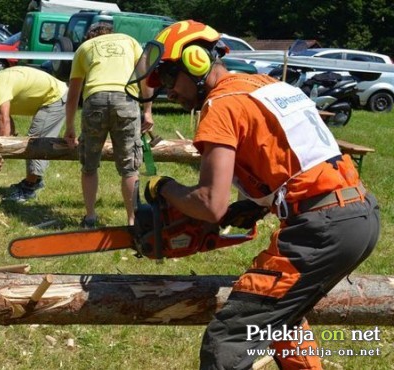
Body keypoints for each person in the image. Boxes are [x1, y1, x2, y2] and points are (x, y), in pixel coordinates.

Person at [127, 20, 380, 369]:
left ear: (197, 61)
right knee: (283, 319)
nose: (169, 92)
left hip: (322, 229)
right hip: (358, 213)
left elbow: (209, 204)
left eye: (169, 78)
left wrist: (165, 187)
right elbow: (295, 156)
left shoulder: (220, 105)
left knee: (228, 341)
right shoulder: (267, 86)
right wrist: (257, 204)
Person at [63, 23, 154, 228]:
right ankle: (132, 221)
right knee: (129, 168)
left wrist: (70, 127)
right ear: (110, 34)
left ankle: (90, 218)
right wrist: (147, 110)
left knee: (89, 166)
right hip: (126, 100)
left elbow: (73, 94)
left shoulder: (84, 48)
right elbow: (145, 78)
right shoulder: (129, 41)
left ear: (90, 37)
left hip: (95, 100)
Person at [0, 66, 68, 202]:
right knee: (34, 141)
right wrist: (8, 141)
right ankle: (35, 180)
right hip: (54, 95)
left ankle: (29, 188)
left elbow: (3, 119)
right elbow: (8, 121)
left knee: (35, 142)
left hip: (55, 97)